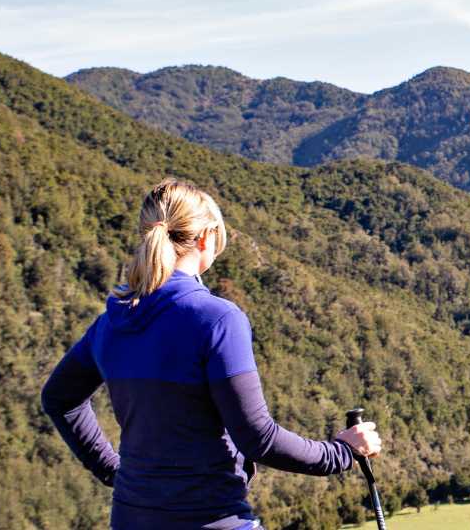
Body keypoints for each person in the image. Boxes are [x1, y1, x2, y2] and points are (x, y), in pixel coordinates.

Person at [42, 178, 383, 529]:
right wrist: (342, 452)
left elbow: (58, 398)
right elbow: (257, 438)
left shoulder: (111, 323)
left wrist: (115, 472)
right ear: (205, 237)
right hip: (213, 518)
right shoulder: (218, 319)